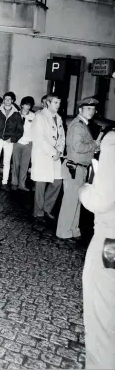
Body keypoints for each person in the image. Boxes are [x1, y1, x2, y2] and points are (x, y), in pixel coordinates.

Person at [79, 129, 115, 369]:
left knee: (103, 312)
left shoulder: (113, 140)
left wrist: (84, 188)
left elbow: (101, 199)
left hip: (110, 242)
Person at [56, 98, 102, 239]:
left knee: (76, 200)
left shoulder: (83, 124)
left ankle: (73, 230)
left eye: (92, 109)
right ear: (80, 110)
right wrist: (94, 145)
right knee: (70, 201)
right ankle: (63, 232)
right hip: (74, 168)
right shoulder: (78, 126)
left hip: (80, 168)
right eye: (87, 109)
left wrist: (93, 148)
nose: (91, 111)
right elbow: (78, 147)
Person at [30, 93, 65, 224]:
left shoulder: (59, 118)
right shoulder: (39, 117)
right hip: (43, 155)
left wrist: (59, 150)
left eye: (59, 103)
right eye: (55, 103)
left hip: (56, 155)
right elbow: (39, 138)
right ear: (48, 103)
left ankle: (46, 208)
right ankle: (38, 212)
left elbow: (62, 137)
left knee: (57, 181)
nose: (58, 105)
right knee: (41, 183)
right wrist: (53, 152)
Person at [0, 92, 23, 190]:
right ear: (3, 100)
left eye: (9, 99)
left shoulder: (16, 114)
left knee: (7, 162)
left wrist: (12, 139)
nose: (7, 101)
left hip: (9, 141)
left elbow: (20, 130)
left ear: (12, 100)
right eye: (5, 99)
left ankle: (4, 183)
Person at [11, 96, 35, 191]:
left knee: (25, 165)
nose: (27, 107)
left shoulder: (33, 116)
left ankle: (22, 184)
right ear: (21, 105)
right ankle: (14, 183)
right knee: (16, 164)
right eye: (25, 104)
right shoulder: (16, 115)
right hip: (17, 142)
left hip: (28, 143)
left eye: (29, 105)